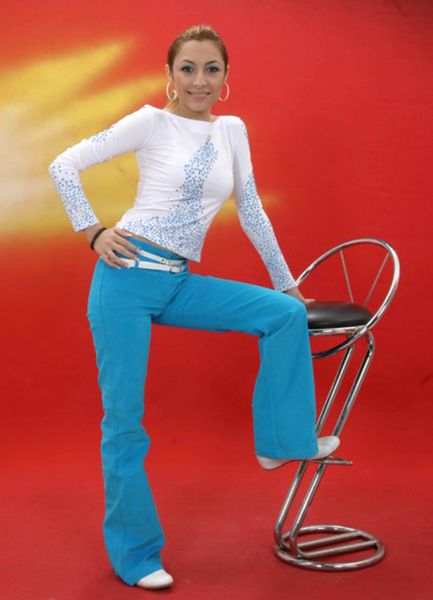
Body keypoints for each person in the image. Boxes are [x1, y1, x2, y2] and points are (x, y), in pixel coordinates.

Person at [48, 24, 340, 591]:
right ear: (170, 74)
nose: (199, 80)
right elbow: (64, 164)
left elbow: (251, 209)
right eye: (188, 68)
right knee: (124, 422)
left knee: (283, 316)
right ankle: (137, 556)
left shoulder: (232, 130)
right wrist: (92, 231)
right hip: (125, 280)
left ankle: (281, 442)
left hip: (178, 281)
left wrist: (287, 285)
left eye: (211, 69)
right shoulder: (149, 122)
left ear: (226, 76)